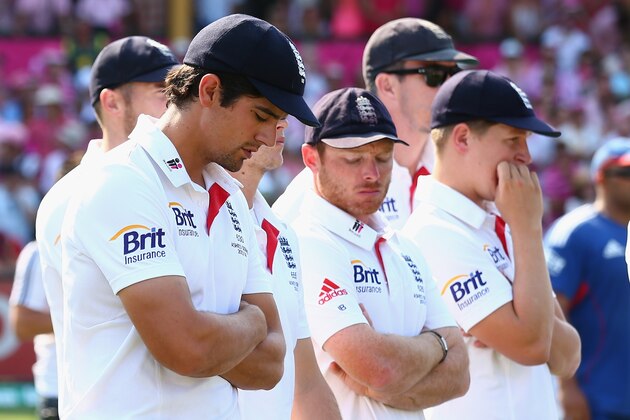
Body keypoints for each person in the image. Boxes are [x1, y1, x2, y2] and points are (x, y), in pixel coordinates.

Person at [52, 14, 319, 418]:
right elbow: (187, 348)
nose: (269, 137)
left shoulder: (230, 198)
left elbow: (271, 364)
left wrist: (211, 334)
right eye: (262, 115)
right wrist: (251, 325)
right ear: (210, 90)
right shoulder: (124, 180)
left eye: (279, 122)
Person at [403, 70, 581, 419]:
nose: (526, 156)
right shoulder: (433, 233)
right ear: (464, 138)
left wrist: (530, 319)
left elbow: (567, 356)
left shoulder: (501, 220)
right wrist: (528, 228)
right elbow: (533, 346)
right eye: (514, 139)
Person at [282, 87, 469, 419]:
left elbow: (460, 375)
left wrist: (388, 382)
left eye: (383, 157)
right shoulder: (306, 241)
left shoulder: (404, 246)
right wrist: (437, 343)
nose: (372, 173)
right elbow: (380, 369)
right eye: (353, 159)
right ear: (312, 159)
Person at [35, 35, 179, 412]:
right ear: (112, 102)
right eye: (160, 90)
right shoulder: (66, 199)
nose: (175, 102)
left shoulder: (182, 183)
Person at [273, 17, 478, 228]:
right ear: (387, 85)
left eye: (453, 75)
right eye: (434, 75)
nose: (449, 87)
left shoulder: (459, 170)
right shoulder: (325, 178)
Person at [229, 120, 341, 419]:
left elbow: (304, 381)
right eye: (266, 109)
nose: (283, 121)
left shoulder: (283, 232)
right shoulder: (199, 217)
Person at [544, 138, 630, 420]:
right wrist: (565, 389)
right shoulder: (574, 232)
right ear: (600, 177)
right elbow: (552, 312)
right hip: (597, 399)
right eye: (625, 173)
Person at [10, 151, 82, 420]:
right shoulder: (38, 251)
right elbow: (22, 323)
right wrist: (92, 315)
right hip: (59, 390)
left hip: (102, 390)